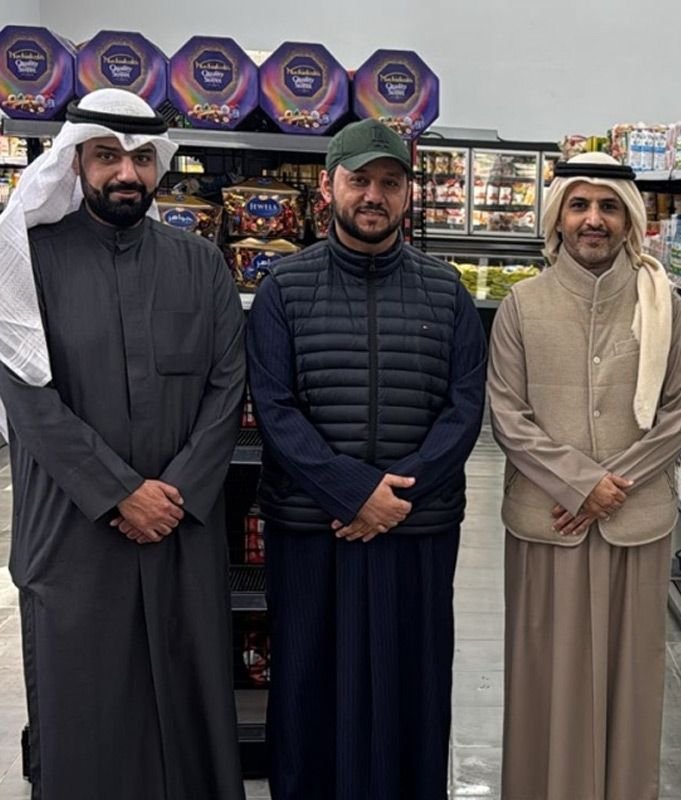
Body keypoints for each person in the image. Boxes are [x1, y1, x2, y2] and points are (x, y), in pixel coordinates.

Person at [0, 88, 245, 799]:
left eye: (140, 158)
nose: (125, 174)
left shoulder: (200, 264)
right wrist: (119, 494)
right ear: (75, 161)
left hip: (180, 527)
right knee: (86, 712)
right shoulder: (29, 263)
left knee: (188, 705)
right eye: (107, 156)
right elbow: (28, 399)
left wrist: (175, 495)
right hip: (73, 532)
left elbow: (228, 386)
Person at [246, 119, 486, 800]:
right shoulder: (283, 290)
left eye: (390, 181)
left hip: (416, 530)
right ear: (329, 187)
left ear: (409, 193)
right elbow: (274, 407)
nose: (374, 195)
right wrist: (352, 491)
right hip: (311, 530)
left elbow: (465, 408)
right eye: (360, 180)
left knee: (413, 689)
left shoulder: (447, 293)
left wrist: (395, 497)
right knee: (308, 689)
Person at [488, 152, 681, 800]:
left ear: (629, 219)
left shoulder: (666, 306)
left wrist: (608, 489)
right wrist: (581, 485)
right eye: (579, 205)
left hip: (635, 525)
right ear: (559, 216)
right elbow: (507, 415)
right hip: (546, 525)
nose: (593, 219)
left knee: (630, 684)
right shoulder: (521, 305)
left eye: (608, 206)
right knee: (545, 680)